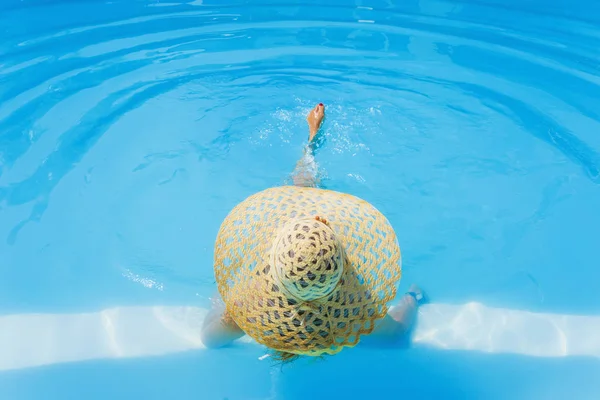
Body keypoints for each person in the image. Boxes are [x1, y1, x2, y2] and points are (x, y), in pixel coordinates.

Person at [200, 103, 426, 361]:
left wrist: (222, 304)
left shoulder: (248, 311)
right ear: (344, 267)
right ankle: (310, 143)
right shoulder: (353, 311)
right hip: (325, 288)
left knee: (301, 195)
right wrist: (412, 297)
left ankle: (310, 143)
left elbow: (209, 339)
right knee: (304, 203)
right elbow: (398, 333)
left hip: (286, 278)